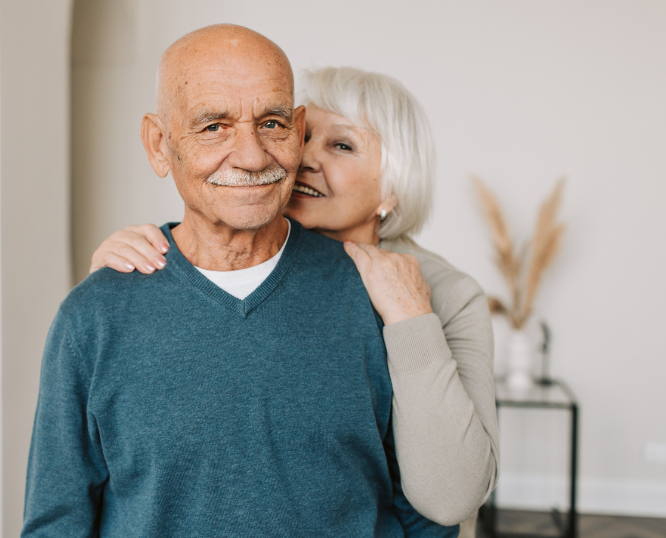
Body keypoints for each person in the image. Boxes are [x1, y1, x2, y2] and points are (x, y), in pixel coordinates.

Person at [23, 25, 456, 537]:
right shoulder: (93, 317)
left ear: (297, 131)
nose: (252, 157)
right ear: (159, 145)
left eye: (271, 123)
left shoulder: (380, 298)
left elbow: (427, 513)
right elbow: (57, 522)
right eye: (214, 127)